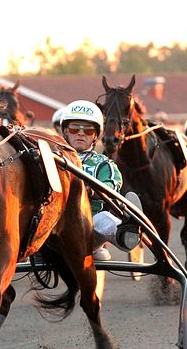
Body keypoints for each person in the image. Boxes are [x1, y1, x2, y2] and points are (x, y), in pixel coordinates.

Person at [60, 100, 141, 261]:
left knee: (104, 218)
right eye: (75, 128)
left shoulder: (104, 163)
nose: (81, 134)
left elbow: (111, 188)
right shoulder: (50, 158)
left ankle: (125, 233)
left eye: (88, 130)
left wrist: (88, 190)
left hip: (89, 226)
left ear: (96, 135)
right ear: (65, 132)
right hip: (55, 222)